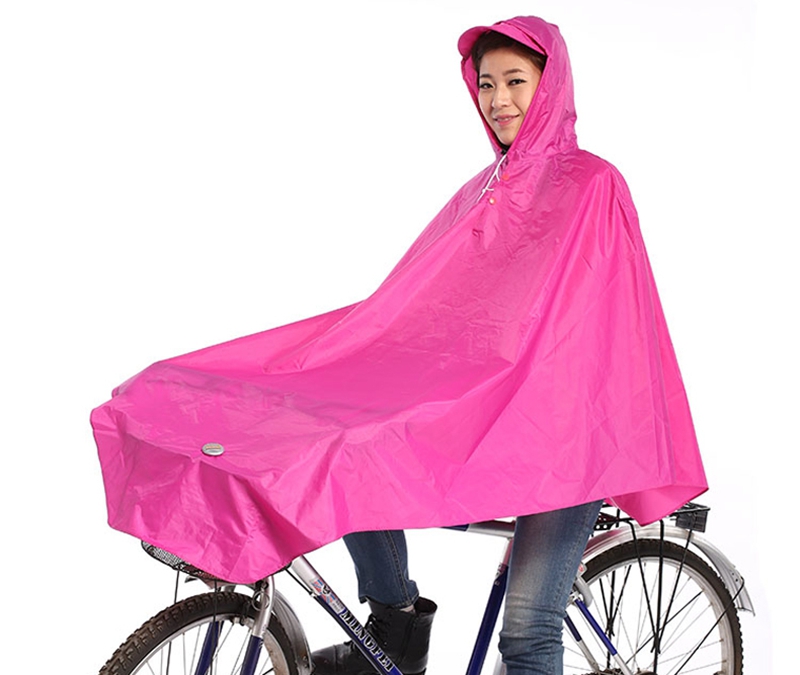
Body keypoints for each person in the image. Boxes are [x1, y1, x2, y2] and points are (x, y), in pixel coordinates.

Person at [308, 17, 665, 675]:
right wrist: (355, 364)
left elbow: (604, 324)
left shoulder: (595, 184)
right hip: (493, 418)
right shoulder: (484, 191)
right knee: (348, 457)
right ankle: (396, 626)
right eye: (486, 84)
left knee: (527, 631)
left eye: (515, 81)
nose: (498, 99)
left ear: (549, 85)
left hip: (571, 435)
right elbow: (423, 304)